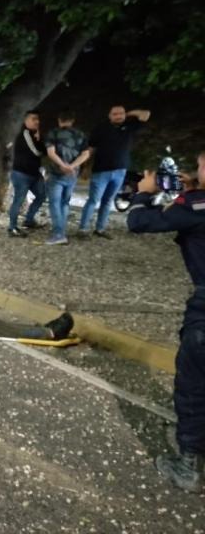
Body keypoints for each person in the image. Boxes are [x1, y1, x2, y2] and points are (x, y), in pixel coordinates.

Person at [127, 151, 205, 493]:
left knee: (193, 386)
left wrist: (145, 192)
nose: (196, 170)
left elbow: (140, 221)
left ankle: (186, 465)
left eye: (201, 165)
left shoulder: (197, 204)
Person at [78, 105, 151, 239]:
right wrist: (85, 167)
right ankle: (83, 229)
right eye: (115, 114)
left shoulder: (129, 126)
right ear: (109, 116)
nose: (118, 116)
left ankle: (100, 229)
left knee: (108, 201)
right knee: (93, 200)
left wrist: (128, 114)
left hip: (120, 171)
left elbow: (146, 114)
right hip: (101, 171)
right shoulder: (100, 128)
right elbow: (91, 149)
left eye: (120, 114)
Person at [44, 109, 90, 245]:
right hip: (72, 175)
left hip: (56, 173)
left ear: (59, 120)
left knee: (54, 203)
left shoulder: (53, 133)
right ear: (72, 121)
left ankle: (59, 234)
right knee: (65, 202)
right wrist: (72, 166)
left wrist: (63, 165)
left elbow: (51, 153)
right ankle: (61, 230)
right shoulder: (81, 135)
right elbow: (86, 154)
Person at [8, 110, 47, 237]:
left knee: (41, 196)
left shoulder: (35, 134)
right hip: (21, 174)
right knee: (18, 200)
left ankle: (29, 220)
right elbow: (37, 152)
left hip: (34, 173)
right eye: (33, 119)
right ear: (26, 121)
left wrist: (40, 141)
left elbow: (42, 150)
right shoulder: (25, 133)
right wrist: (42, 146)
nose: (37, 121)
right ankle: (12, 228)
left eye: (38, 119)